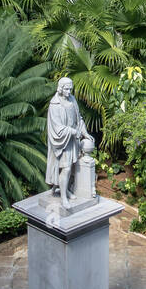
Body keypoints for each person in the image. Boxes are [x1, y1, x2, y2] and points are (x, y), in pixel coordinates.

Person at [45, 77, 93, 207]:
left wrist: (85, 133)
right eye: (66, 89)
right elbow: (57, 127)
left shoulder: (72, 99)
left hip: (72, 141)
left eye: (70, 88)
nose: (69, 91)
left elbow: (79, 119)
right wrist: (72, 131)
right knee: (65, 169)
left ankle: (64, 189)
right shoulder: (54, 105)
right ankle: (64, 197)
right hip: (62, 142)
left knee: (70, 168)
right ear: (60, 89)